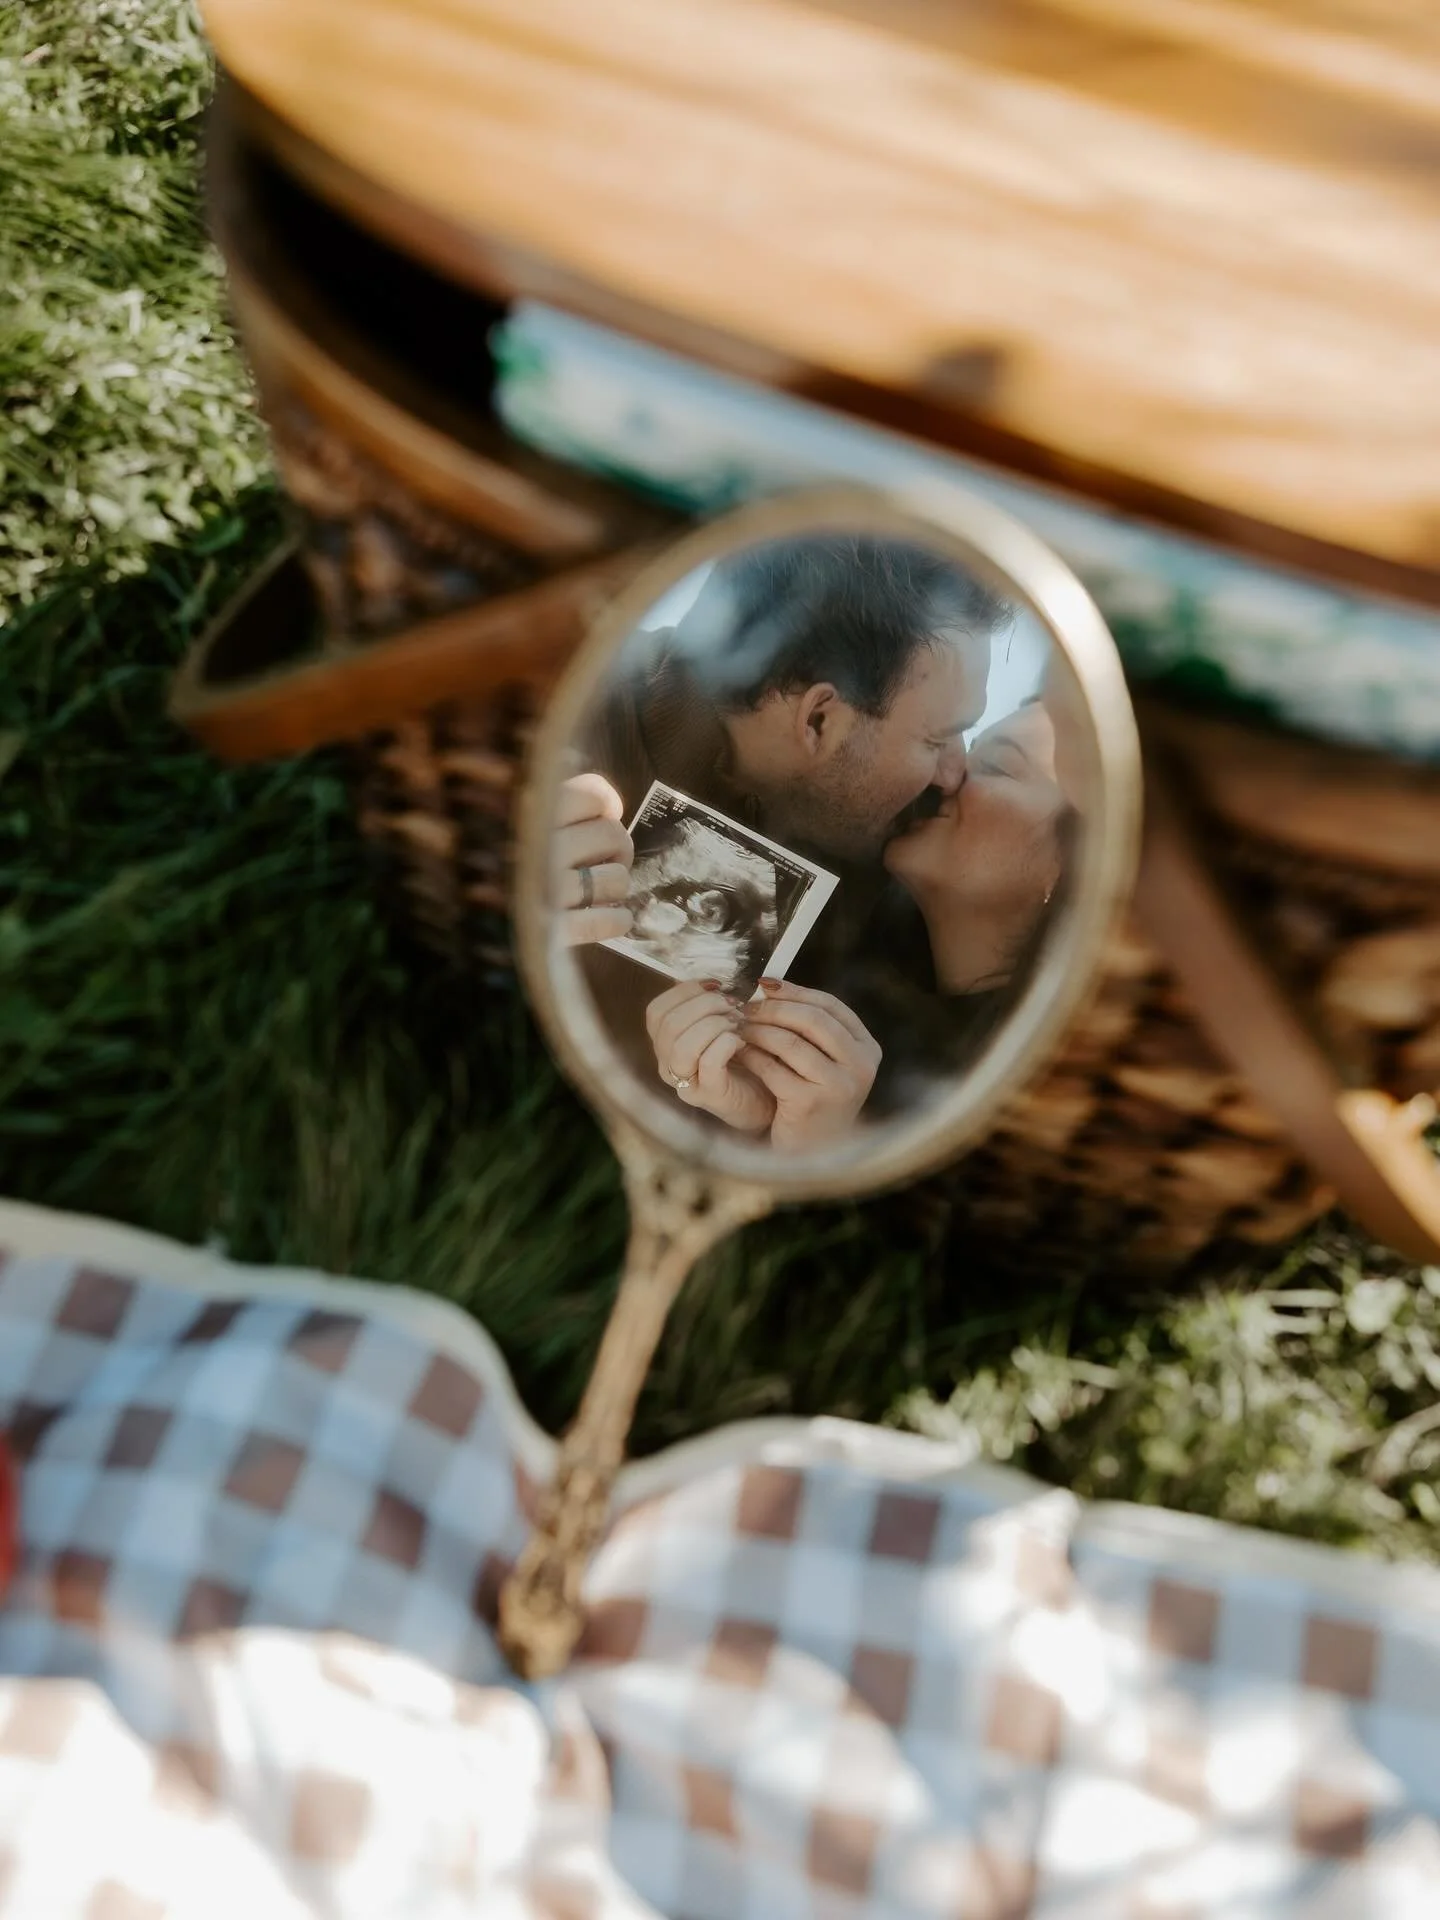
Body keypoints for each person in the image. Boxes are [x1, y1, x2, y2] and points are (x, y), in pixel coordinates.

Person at [554, 535, 1010, 1149]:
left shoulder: (917, 847)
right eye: (937, 740)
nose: (955, 773)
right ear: (819, 720)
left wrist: (799, 1140)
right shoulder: (567, 724)